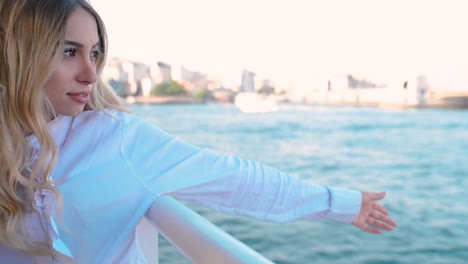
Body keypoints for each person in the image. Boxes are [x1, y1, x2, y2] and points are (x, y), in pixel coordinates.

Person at [0, 0, 397, 263]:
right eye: (70, 52)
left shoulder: (118, 139)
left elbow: (234, 178)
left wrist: (339, 203)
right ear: (25, 53)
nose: (90, 73)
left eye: (96, 54)